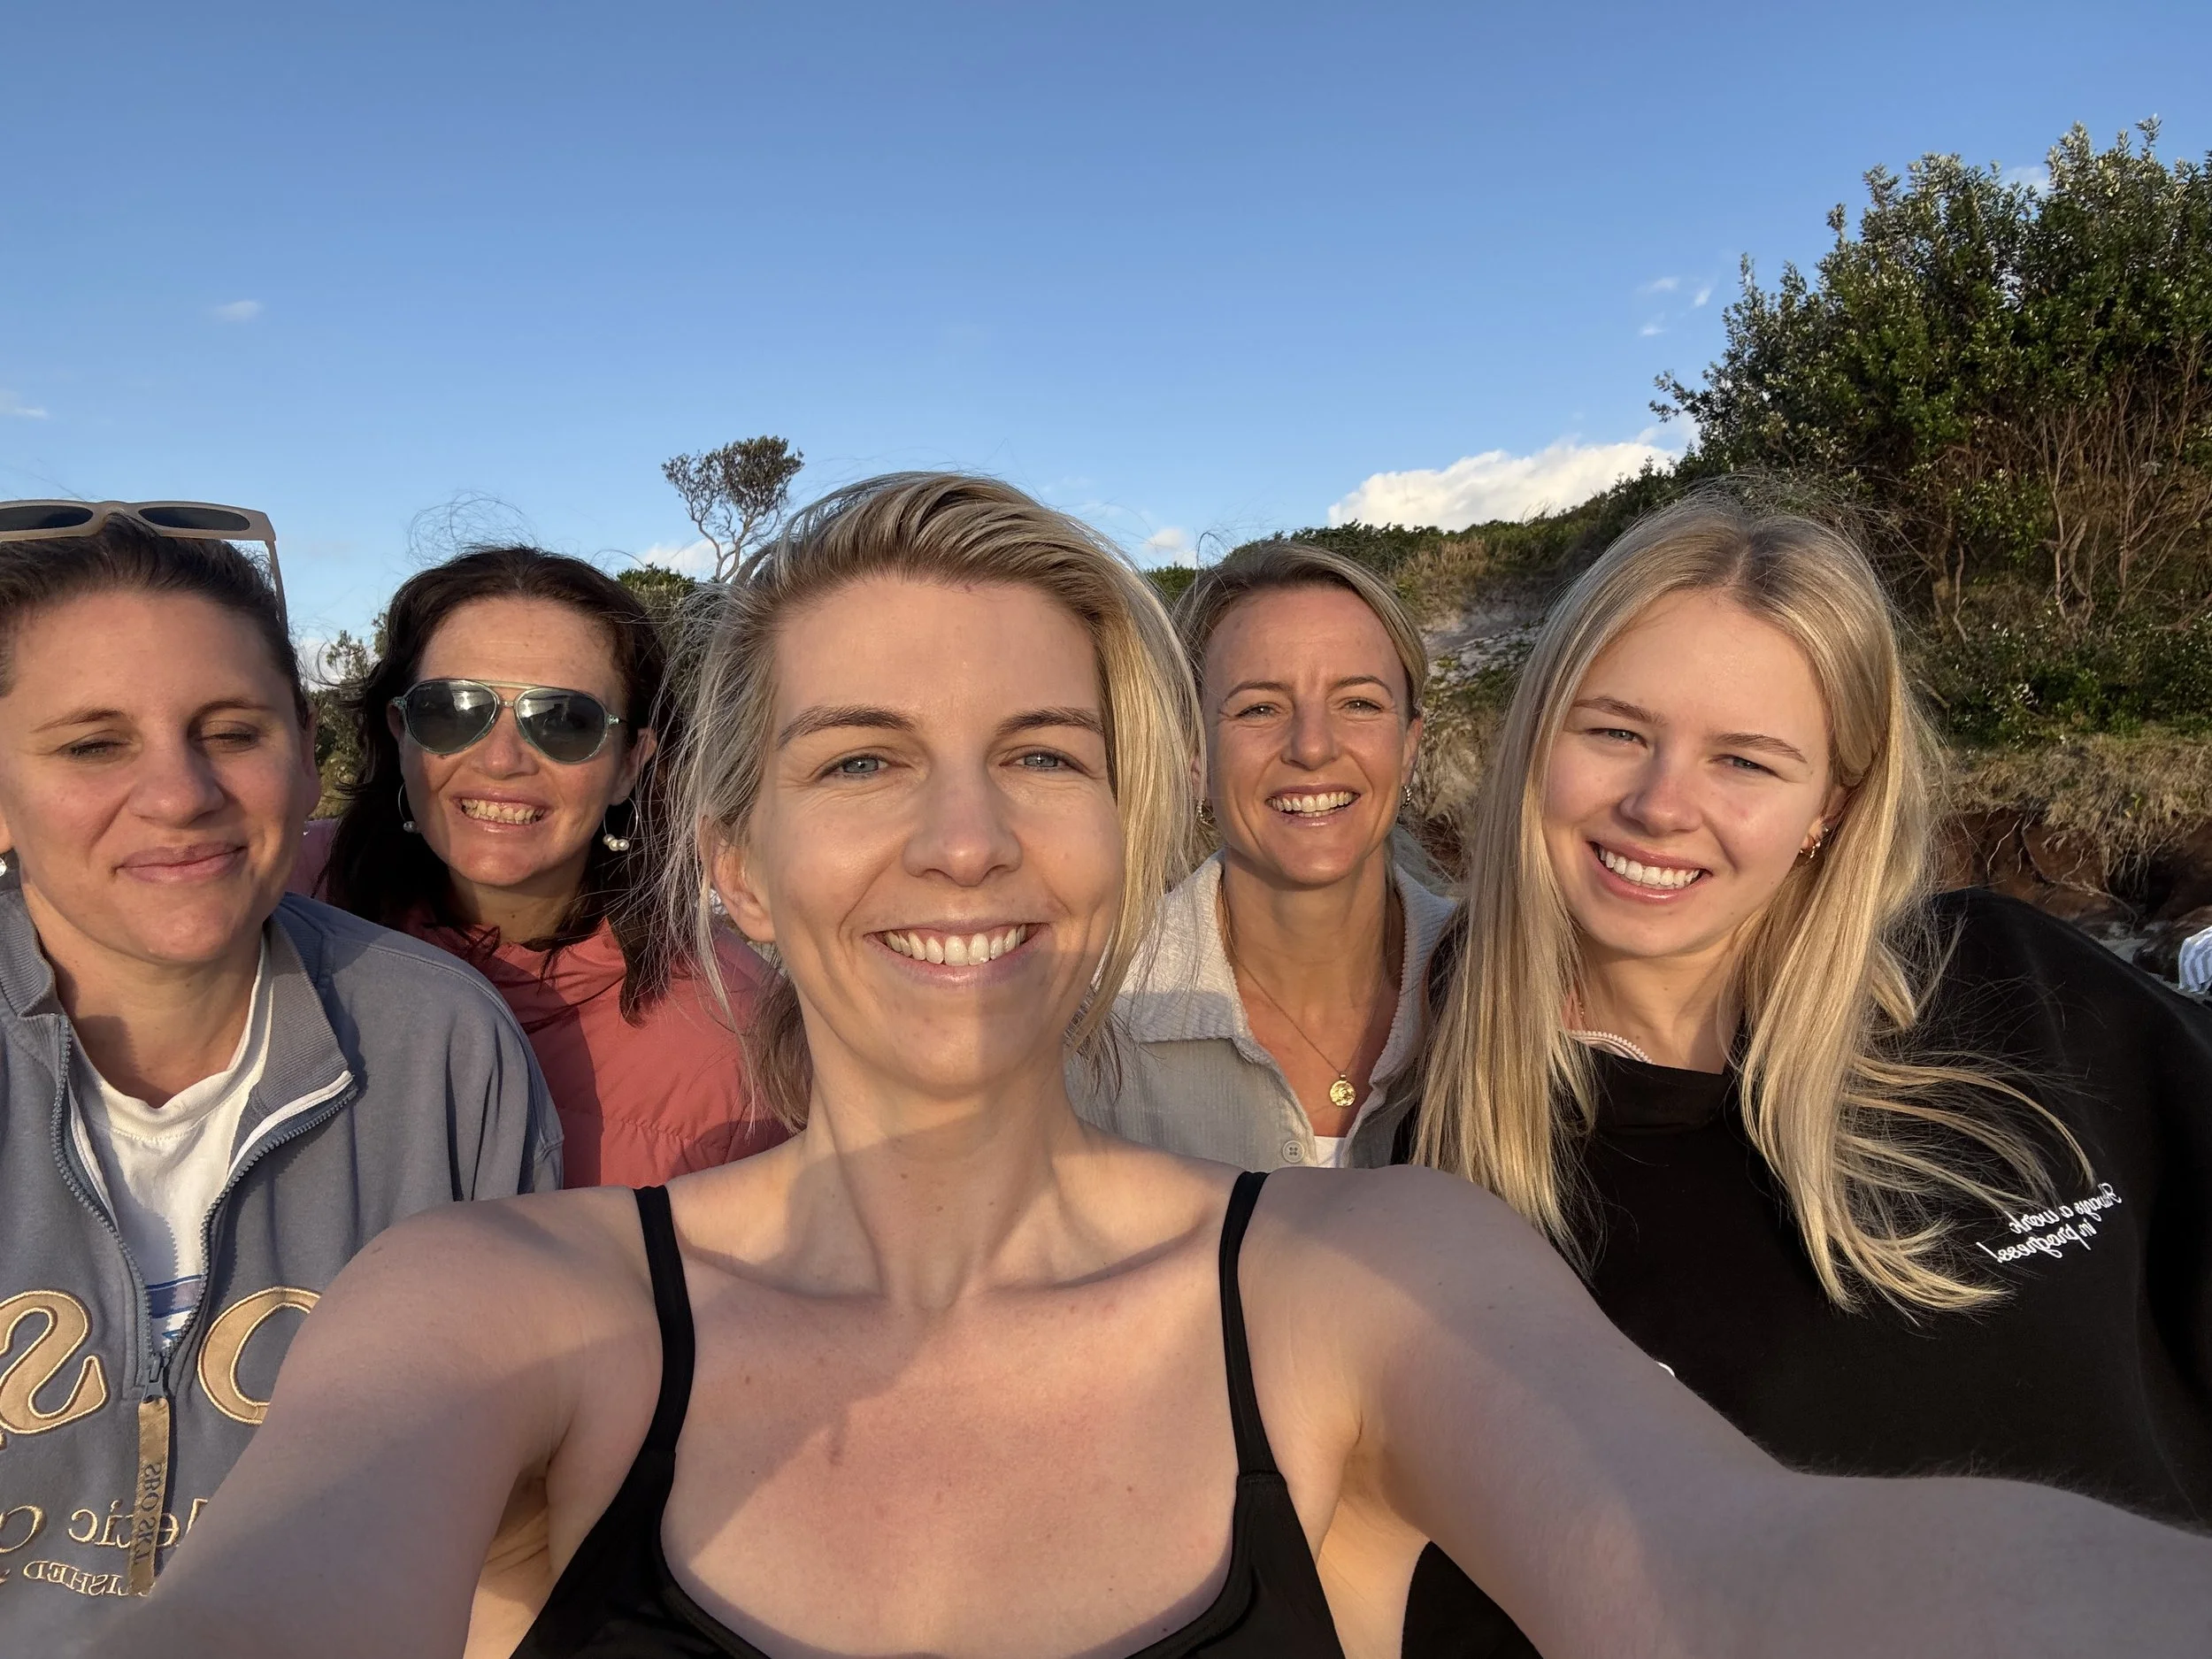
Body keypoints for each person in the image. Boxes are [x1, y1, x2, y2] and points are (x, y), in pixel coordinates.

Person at [109, 474, 2212, 1659]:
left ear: (1134, 826)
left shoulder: (1369, 1262)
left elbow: (1736, 1569)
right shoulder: (494, 1306)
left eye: (1044, 756)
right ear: (733, 850)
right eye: (863, 761)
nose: (964, 837)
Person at [1401, 492, 2212, 1654]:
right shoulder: (1455, 1173)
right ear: (1538, 737)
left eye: (1745, 758)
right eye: (1616, 730)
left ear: (1830, 806)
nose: (1660, 802)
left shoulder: (2016, 987)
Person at [0, 505, 559, 1654]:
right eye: (93, 742)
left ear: (309, 752)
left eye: (232, 728)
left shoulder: (442, 1047)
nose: (179, 791)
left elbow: (514, 1515)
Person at [300, 547, 784, 1187]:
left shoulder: (736, 1041)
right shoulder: (281, 899)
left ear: (630, 764)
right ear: (401, 731)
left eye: (563, 721)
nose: (501, 760)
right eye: (452, 710)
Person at [1075, 540, 1455, 1169]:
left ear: (1409, 745)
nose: (1312, 746)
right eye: (1259, 707)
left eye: (1358, 702)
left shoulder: (1505, 984)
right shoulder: (1092, 1018)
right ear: (1194, 758)